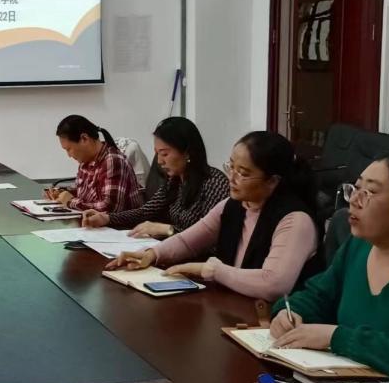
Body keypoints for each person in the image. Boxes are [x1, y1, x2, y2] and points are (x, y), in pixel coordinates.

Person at [270, 150, 389, 383]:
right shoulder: (358, 246)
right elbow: (317, 296)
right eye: (355, 188)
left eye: (370, 192)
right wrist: (290, 312)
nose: (353, 200)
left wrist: (337, 338)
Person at [108, 131, 320, 302]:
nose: (232, 177)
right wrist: (152, 254)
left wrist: (213, 270)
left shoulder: (295, 220)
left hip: (275, 322)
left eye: (243, 173)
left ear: (272, 181)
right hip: (234, 305)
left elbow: (273, 285)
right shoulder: (233, 204)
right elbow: (189, 240)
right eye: (231, 167)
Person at [82, 117, 228, 239]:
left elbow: (209, 238)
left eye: (164, 154)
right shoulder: (175, 181)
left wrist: (167, 229)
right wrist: (107, 218)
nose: (159, 161)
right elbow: (145, 211)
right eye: (157, 154)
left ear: (188, 152)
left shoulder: (214, 183)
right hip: (177, 252)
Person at [48, 115, 142, 213]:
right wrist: (62, 193)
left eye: (69, 149)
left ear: (84, 139)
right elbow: (85, 195)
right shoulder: (85, 161)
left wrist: (70, 201)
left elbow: (108, 209)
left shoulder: (112, 160)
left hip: (123, 223)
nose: (69, 155)